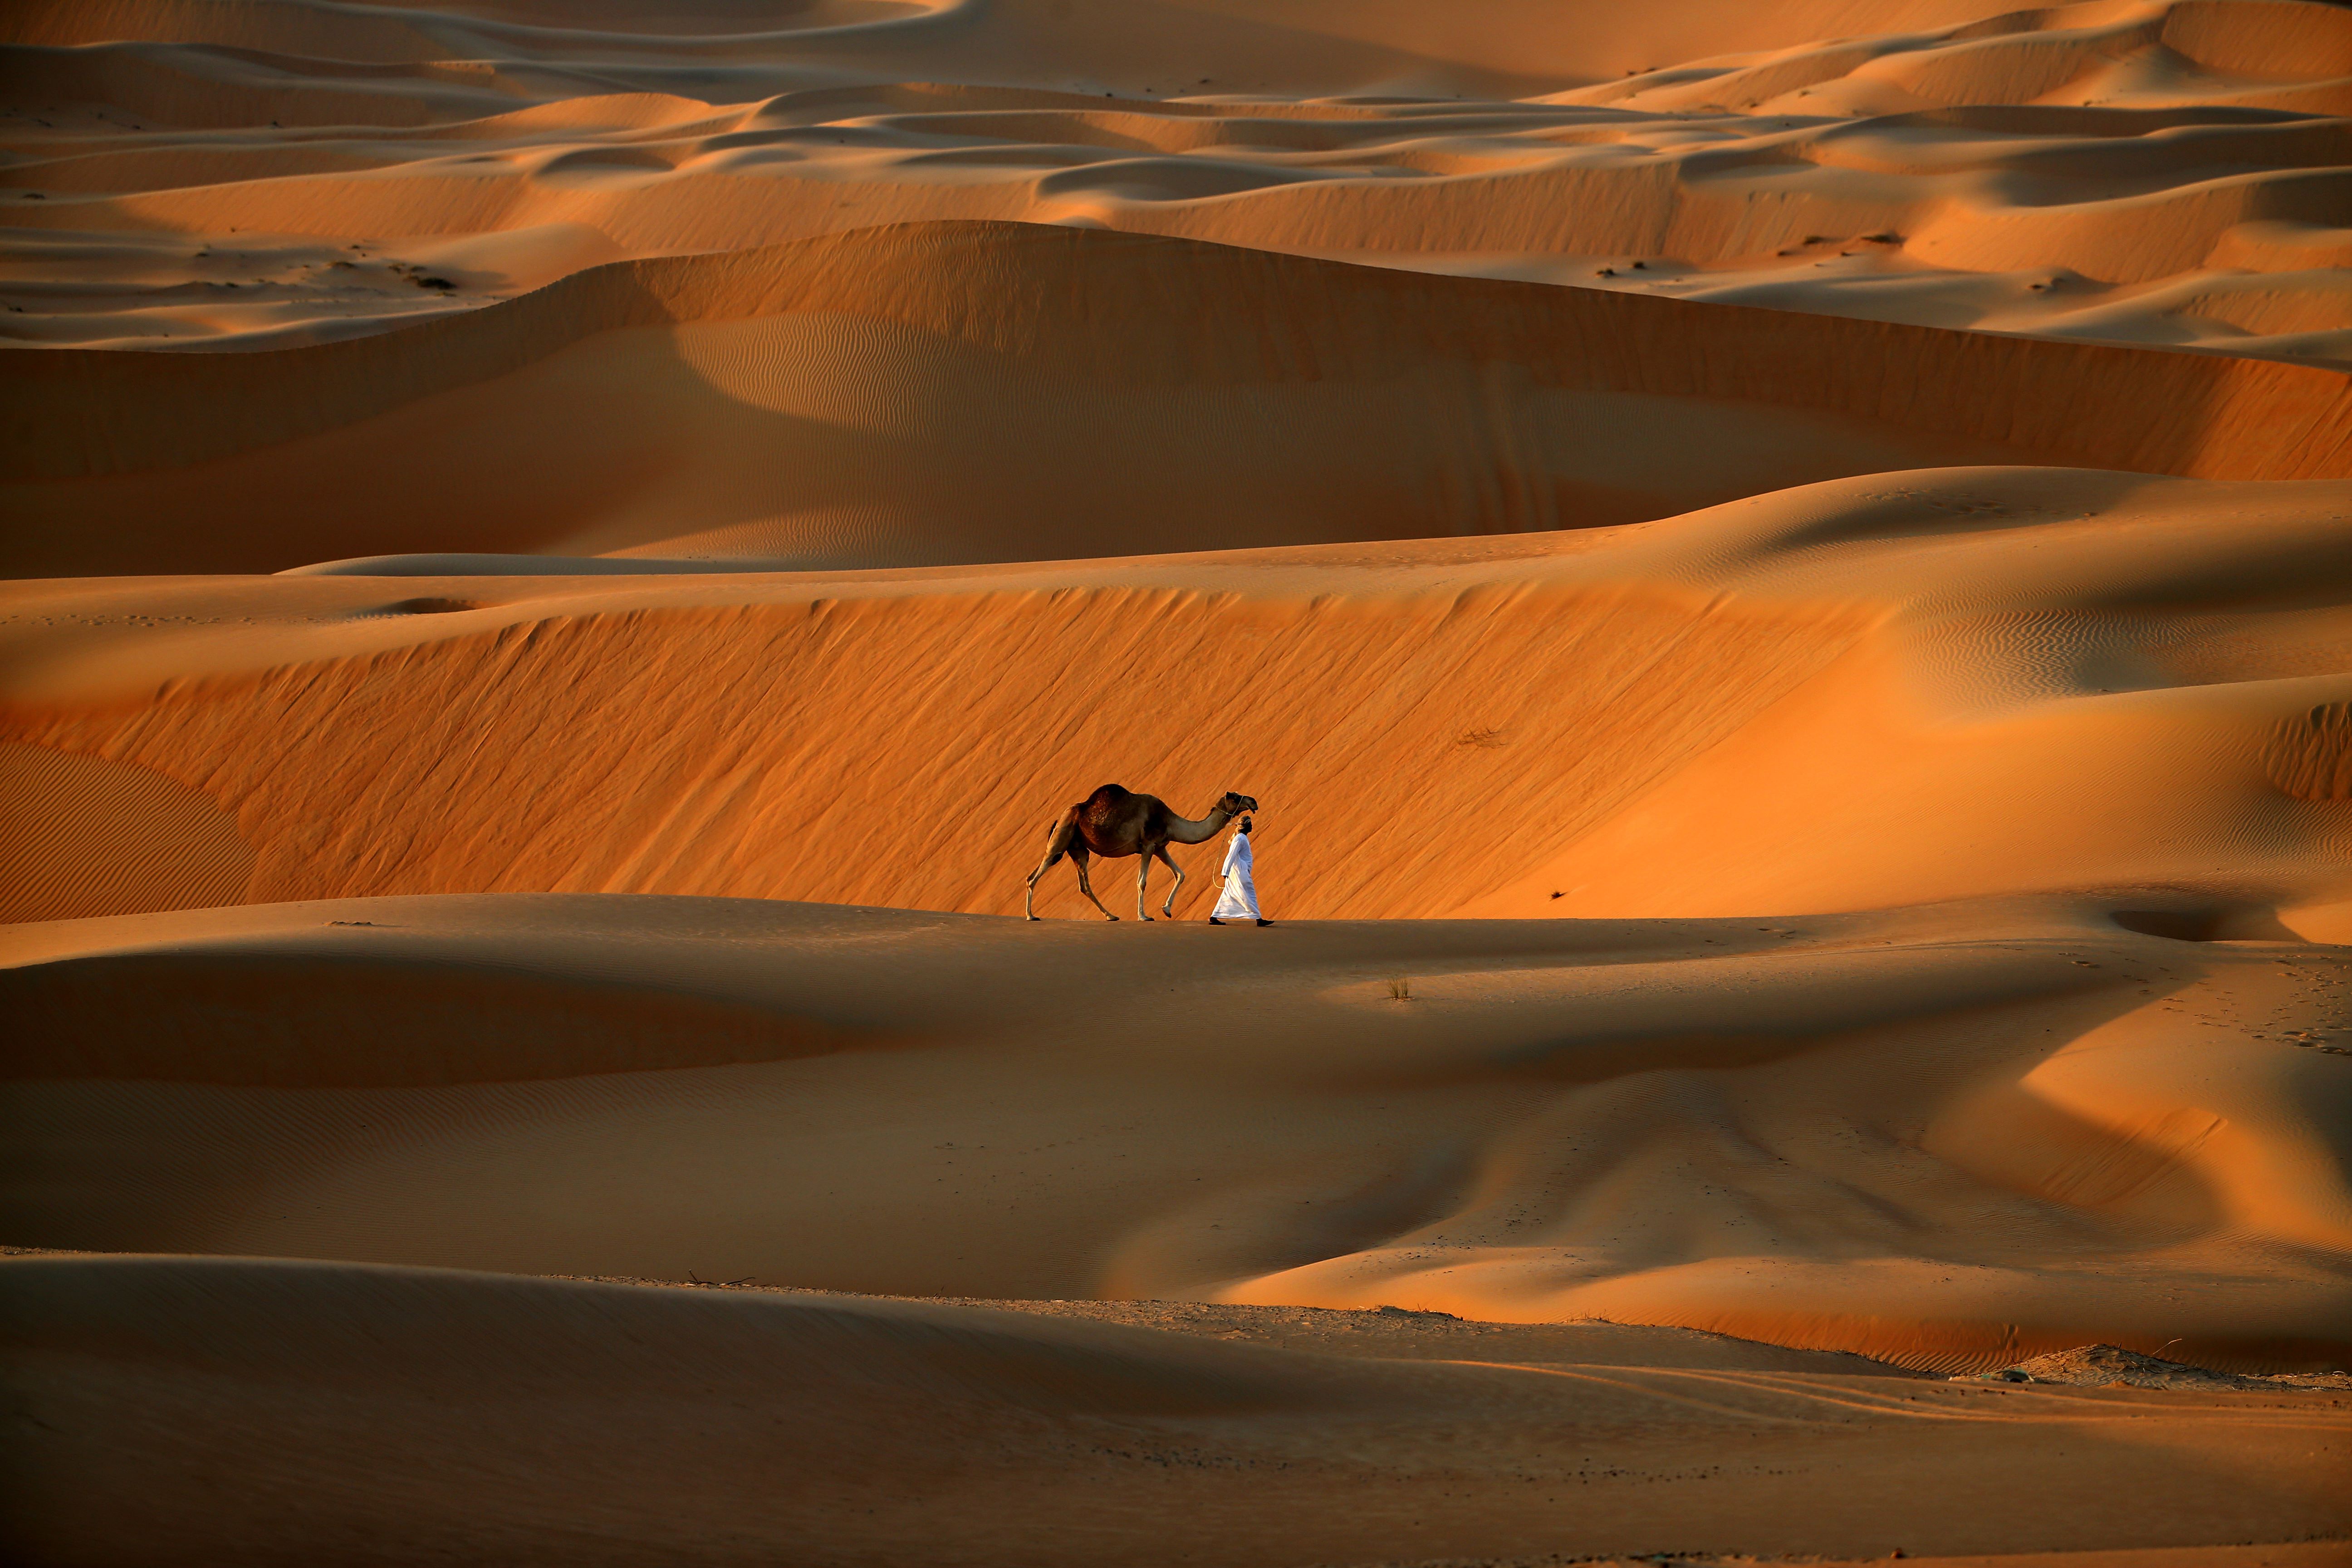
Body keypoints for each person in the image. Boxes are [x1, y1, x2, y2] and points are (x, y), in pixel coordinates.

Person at [1208, 815, 1272, 926]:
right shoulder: (1240, 838)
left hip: (1240, 870)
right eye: (1250, 824)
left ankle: (1214, 917)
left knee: (1230, 893)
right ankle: (1258, 919)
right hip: (1239, 872)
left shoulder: (1242, 838)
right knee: (1249, 893)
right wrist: (1225, 871)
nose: (1252, 826)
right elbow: (1231, 855)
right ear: (1246, 826)